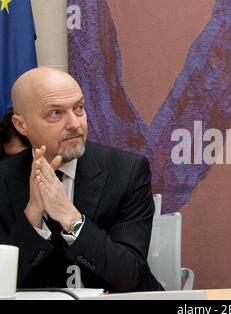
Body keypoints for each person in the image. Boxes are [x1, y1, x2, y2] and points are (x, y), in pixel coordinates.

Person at [0, 67, 163, 292]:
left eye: (79, 108)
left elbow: (129, 274)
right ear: (21, 125)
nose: (75, 124)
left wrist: (70, 217)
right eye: (55, 113)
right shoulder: (3, 179)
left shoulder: (127, 171)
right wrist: (33, 217)